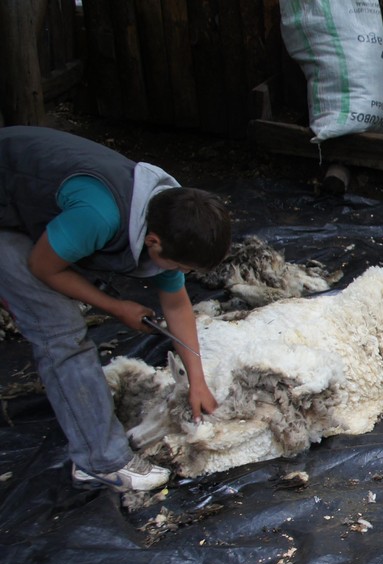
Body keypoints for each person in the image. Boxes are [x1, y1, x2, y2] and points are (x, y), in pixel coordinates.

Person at [0, 126, 231, 492]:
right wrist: (115, 306)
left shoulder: (169, 212)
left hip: (28, 201)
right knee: (59, 330)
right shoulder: (100, 215)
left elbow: (175, 302)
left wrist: (197, 381)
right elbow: (42, 268)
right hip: (10, 210)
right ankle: (100, 461)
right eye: (182, 267)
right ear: (153, 243)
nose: (182, 276)